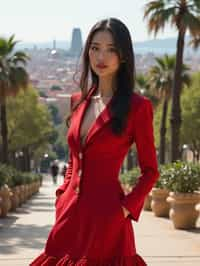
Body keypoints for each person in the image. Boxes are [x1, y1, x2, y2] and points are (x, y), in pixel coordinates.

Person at [30, 17, 159, 266]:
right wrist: (62, 195)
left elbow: (150, 171)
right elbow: (74, 158)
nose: (101, 56)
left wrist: (124, 210)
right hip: (69, 215)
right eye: (95, 47)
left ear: (123, 56)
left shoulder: (138, 107)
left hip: (108, 217)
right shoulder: (78, 100)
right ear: (87, 50)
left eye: (111, 49)